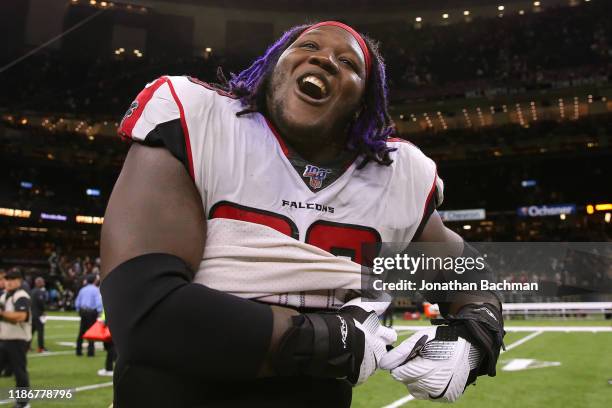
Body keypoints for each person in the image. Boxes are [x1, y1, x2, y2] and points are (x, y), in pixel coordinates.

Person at [101, 21, 504, 407]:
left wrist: (474, 338)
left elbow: (464, 270)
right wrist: (330, 339)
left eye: (348, 64)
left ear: (363, 101)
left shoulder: (396, 174)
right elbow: (145, 313)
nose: (326, 59)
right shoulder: (197, 119)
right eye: (308, 46)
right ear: (274, 65)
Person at [0, 269, 32, 408]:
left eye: (12, 280)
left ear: (19, 281)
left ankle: (23, 403)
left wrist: (2, 314)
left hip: (18, 339)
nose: (8, 282)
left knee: (19, 372)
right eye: (7, 279)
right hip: (5, 338)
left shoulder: (21, 296)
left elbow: (21, 316)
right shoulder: (4, 296)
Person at [75, 274, 102, 357]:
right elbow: (98, 302)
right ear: (94, 280)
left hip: (83, 311)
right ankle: (90, 352)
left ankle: (78, 350)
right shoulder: (96, 290)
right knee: (91, 332)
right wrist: (99, 311)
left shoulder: (83, 289)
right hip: (91, 312)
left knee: (81, 331)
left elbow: (77, 302)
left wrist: (79, 310)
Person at [30, 277, 48, 352]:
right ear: (38, 283)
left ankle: (27, 347)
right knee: (40, 331)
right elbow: (41, 303)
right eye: (42, 282)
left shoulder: (32, 291)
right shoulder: (39, 292)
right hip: (39, 314)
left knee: (31, 332)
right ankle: (41, 347)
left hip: (32, 314)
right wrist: (44, 310)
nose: (43, 283)